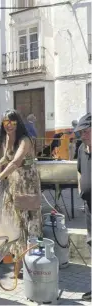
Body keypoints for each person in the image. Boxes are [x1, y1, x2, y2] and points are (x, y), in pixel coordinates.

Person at [0, 110, 42, 273]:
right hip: (13, 183)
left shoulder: (25, 140)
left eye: (12, 122)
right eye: (6, 122)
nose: (9, 125)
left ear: (18, 123)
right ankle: (16, 261)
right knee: (12, 221)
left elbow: (16, 161)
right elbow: (7, 157)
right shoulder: (8, 138)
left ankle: (30, 263)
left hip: (27, 184)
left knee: (26, 223)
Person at [74, 113, 91, 302]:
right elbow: (79, 172)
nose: (83, 136)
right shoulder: (81, 149)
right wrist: (81, 191)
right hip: (89, 207)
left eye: (86, 132)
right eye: (80, 133)